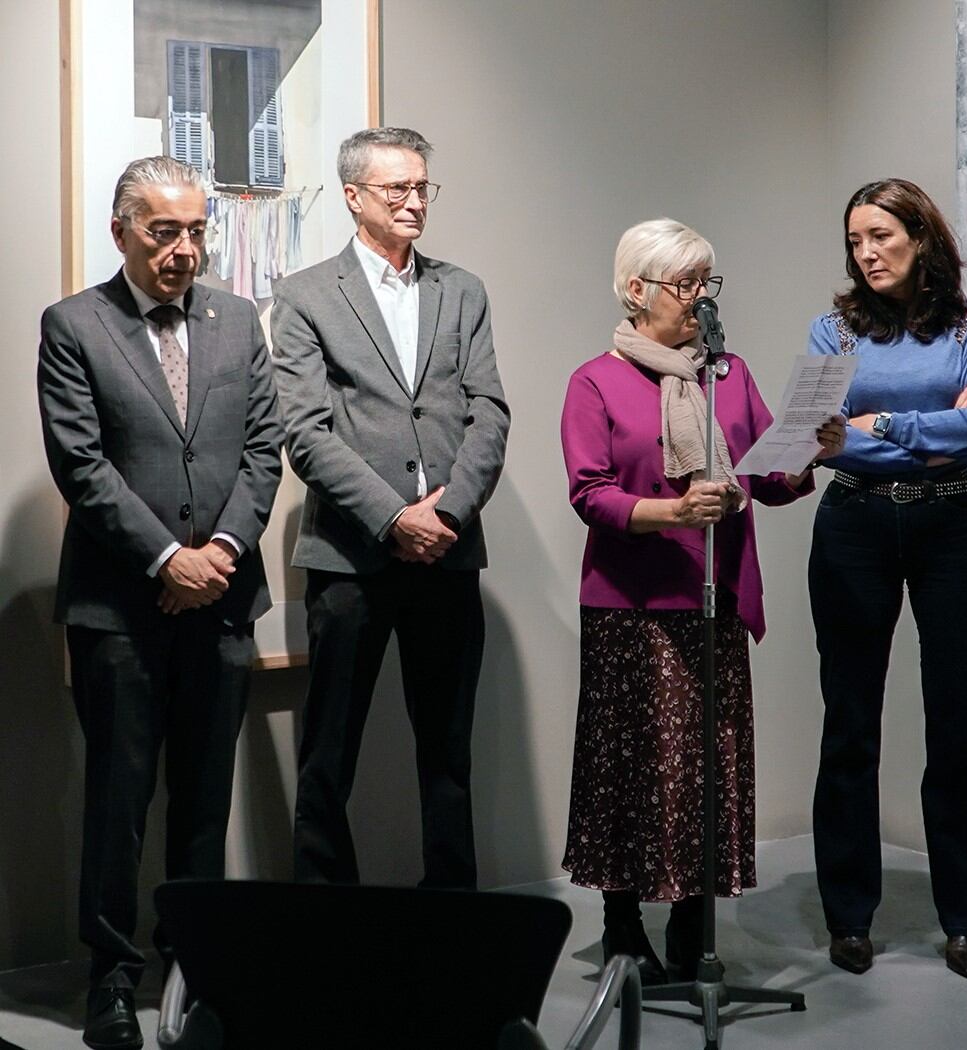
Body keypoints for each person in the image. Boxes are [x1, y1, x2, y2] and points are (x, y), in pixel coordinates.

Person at [38, 156, 283, 1049]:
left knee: (203, 801)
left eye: (195, 231)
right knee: (117, 802)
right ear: (122, 233)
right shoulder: (73, 325)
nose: (184, 250)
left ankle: (197, 972)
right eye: (163, 232)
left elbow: (265, 451)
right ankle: (111, 978)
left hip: (221, 601)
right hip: (120, 614)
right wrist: (162, 559)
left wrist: (217, 552)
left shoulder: (239, 320)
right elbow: (82, 466)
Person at [560, 218, 844, 983]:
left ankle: (693, 926)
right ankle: (623, 926)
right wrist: (673, 513)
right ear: (635, 289)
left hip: (712, 602)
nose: (698, 299)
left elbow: (766, 478)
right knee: (631, 769)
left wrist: (812, 449)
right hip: (631, 605)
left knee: (705, 770)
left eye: (705, 283)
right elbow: (591, 495)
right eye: (684, 284)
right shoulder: (597, 380)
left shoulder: (729, 375)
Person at [272, 127, 509, 888]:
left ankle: (453, 929)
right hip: (350, 560)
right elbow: (303, 432)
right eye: (395, 189)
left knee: (448, 755)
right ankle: (325, 930)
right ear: (354, 197)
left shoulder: (462, 289)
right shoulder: (306, 294)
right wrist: (392, 517)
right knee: (327, 758)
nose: (413, 202)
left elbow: (490, 412)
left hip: (449, 553)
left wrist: (448, 513)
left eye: (421, 188)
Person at [808, 178, 967, 980]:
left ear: (920, 238)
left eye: (882, 236)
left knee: (955, 725)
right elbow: (813, 440)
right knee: (850, 723)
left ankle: (964, 921)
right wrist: (928, 432)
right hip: (853, 524)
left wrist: (878, 424)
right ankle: (849, 916)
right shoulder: (832, 330)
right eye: (856, 240)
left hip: (953, 526)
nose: (867, 252)